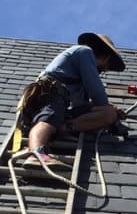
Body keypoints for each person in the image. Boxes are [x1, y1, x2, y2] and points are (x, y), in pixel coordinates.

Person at [18, 33, 126, 167]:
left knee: (108, 113)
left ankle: (63, 128)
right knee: (49, 119)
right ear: (106, 57)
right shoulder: (84, 52)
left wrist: (111, 113)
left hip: (62, 104)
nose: (104, 69)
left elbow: (82, 105)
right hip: (50, 94)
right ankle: (36, 154)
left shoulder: (79, 78)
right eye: (107, 66)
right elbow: (96, 91)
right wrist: (105, 106)